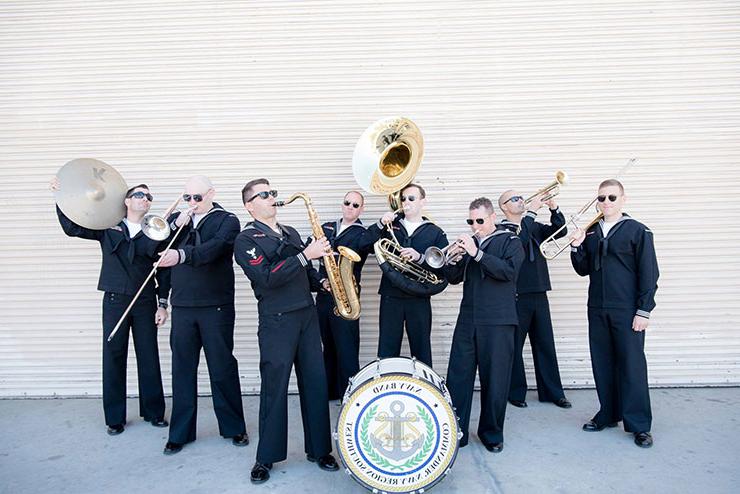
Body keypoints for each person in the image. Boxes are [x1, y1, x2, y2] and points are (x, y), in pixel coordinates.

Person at [234, 178, 339, 484]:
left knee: (316, 384)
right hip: (277, 320)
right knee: (275, 388)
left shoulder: (291, 233)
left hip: (306, 316)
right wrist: (307, 255)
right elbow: (266, 277)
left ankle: (320, 450)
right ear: (250, 205)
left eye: (273, 192)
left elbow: (304, 273)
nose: (272, 198)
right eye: (264, 194)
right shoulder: (246, 240)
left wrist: (322, 283)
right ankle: (265, 457)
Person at [51, 179, 169, 435]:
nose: (145, 199)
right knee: (114, 357)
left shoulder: (156, 231)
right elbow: (72, 228)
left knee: (148, 356)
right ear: (127, 201)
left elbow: (165, 271)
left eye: (149, 197)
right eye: (139, 194)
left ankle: (154, 412)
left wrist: (162, 304)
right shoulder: (108, 227)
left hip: (145, 301)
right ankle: (114, 418)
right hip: (115, 300)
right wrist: (61, 197)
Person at [157, 176, 248, 455]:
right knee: (182, 370)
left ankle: (234, 427)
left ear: (211, 194)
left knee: (221, 367)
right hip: (183, 306)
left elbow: (214, 249)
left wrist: (182, 255)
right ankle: (180, 433)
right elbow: (160, 259)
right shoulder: (178, 223)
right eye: (188, 198)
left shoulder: (227, 220)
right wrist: (163, 301)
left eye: (198, 197)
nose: (193, 203)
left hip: (215, 305)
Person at [570, 179, 659, 448]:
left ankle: (639, 425)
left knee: (631, 365)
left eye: (611, 197)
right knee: (602, 362)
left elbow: (649, 273)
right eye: (601, 198)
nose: (605, 202)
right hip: (597, 307)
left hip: (627, 308)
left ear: (623, 199)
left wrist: (644, 310)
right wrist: (576, 246)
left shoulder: (638, 230)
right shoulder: (592, 231)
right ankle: (608, 413)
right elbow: (583, 269)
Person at [444, 197, 524, 453]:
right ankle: (456, 431)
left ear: (492, 218)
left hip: (498, 321)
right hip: (468, 318)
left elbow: (508, 272)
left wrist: (476, 254)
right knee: (458, 375)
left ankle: (491, 433)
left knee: (496, 379)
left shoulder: (510, 241)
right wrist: (452, 259)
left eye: (479, 220)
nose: (474, 225)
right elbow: (454, 279)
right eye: (471, 221)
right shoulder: (472, 244)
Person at [498, 190, 571, 409]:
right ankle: (515, 392)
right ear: (503, 207)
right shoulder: (502, 230)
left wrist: (553, 208)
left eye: (521, 197)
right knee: (515, 346)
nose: (520, 200)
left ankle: (552, 392)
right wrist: (530, 212)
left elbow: (560, 231)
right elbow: (519, 241)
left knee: (545, 343)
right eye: (514, 199)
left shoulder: (534, 225)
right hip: (516, 294)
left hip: (539, 291)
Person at [361, 183, 448, 367]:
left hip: (419, 297)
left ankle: (426, 391)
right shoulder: (391, 225)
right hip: (391, 296)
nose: (406, 202)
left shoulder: (435, 231)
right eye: (403, 198)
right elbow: (363, 244)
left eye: (411, 198)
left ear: (423, 202)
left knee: (422, 347)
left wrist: (420, 257)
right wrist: (379, 224)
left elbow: (444, 268)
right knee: (387, 348)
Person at [315, 191, 371, 400]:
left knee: (347, 349)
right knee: (327, 346)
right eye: (347, 203)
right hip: (324, 295)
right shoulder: (326, 227)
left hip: (347, 297)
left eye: (356, 205)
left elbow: (369, 246)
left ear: (361, 209)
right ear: (342, 204)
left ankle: (351, 396)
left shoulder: (363, 234)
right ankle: (329, 392)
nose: (350, 207)